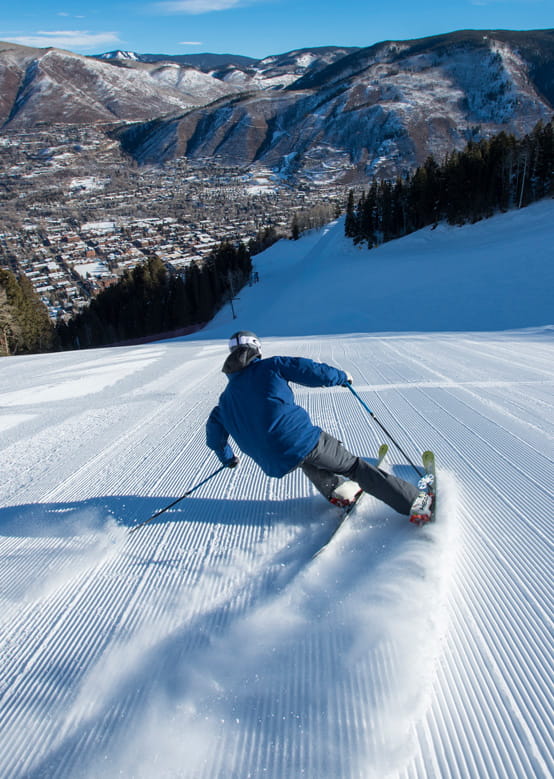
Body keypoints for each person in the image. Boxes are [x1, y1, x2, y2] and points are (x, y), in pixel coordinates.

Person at [206, 331, 420, 516]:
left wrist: (228, 459)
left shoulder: (223, 402)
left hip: (272, 461)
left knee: (301, 457)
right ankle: (415, 503)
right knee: (354, 467)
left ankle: (337, 491)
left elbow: (215, 437)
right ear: (257, 350)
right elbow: (310, 371)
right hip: (299, 439)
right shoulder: (272, 366)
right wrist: (341, 377)